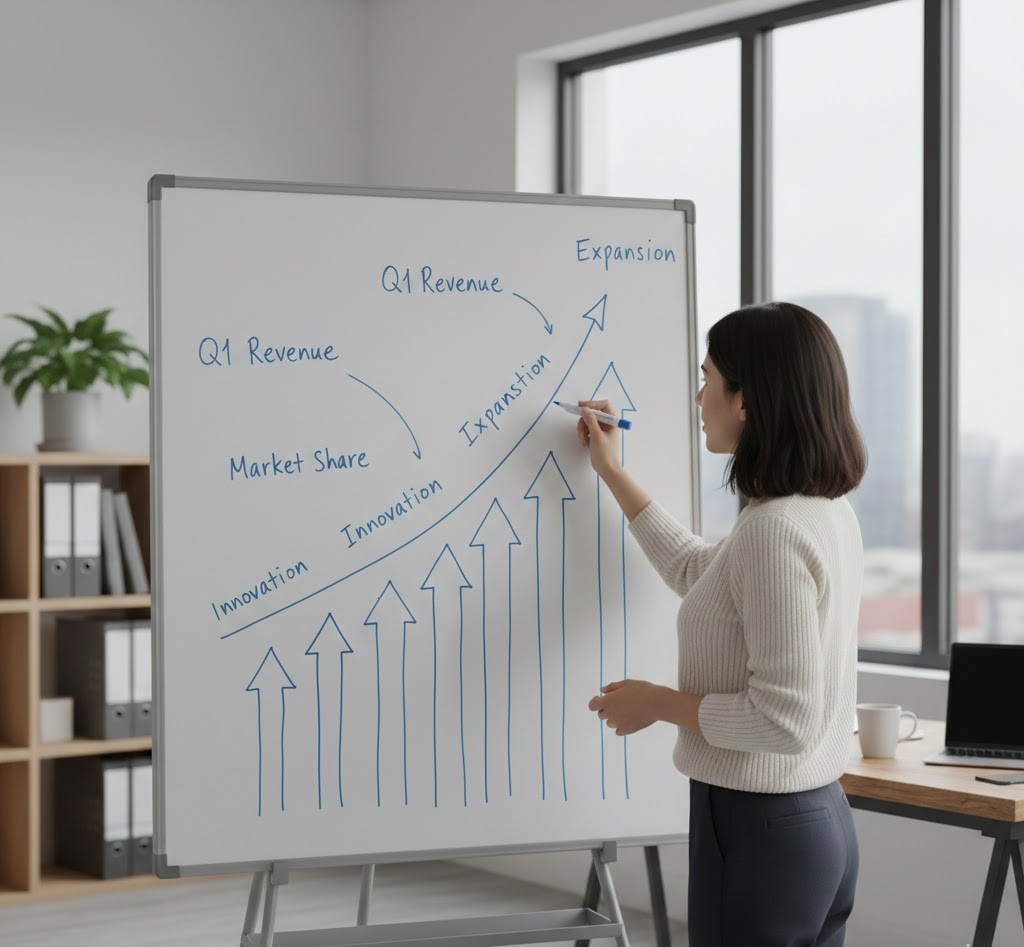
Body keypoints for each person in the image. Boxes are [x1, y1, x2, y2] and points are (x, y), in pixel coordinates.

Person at [577, 301, 866, 947]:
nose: (698, 397)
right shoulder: (821, 512)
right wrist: (612, 472)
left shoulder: (774, 529)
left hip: (760, 829)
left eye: (707, 378)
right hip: (814, 824)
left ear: (747, 400)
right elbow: (695, 568)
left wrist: (656, 703)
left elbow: (782, 720)